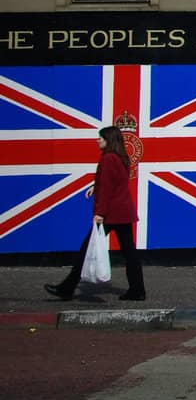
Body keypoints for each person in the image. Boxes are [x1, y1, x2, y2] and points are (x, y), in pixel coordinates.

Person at [46, 126, 146, 302]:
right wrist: (95, 186)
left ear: (108, 140)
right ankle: (137, 290)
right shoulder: (122, 157)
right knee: (129, 252)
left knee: (86, 250)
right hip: (123, 211)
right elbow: (115, 182)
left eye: (101, 138)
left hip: (110, 213)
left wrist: (99, 213)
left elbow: (107, 188)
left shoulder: (107, 159)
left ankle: (67, 289)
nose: (97, 140)